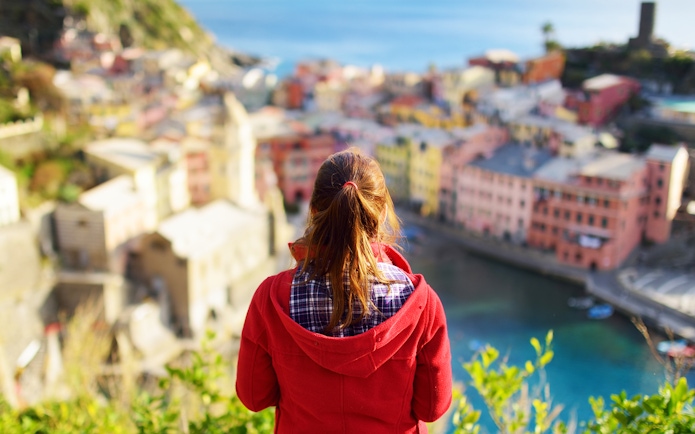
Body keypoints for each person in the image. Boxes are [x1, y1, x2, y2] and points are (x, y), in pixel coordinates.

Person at [236, 148, 452, 433]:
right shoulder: (421, 305)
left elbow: (254, 396)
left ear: (313, 211)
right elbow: (432, 407)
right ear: (382, 212)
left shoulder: (272, 298)